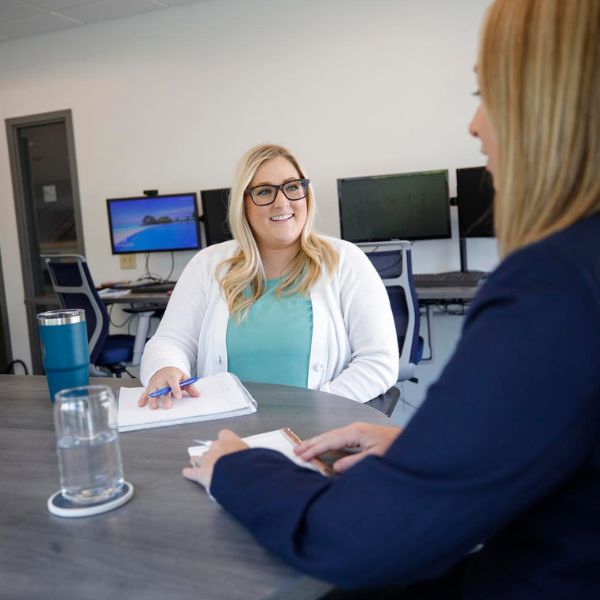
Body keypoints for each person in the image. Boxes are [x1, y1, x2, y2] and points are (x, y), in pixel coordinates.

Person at [182, 1, 600, 597]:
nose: (475, 126)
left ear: (550, 105)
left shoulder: (552, 284)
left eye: (489, 94)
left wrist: (236, 470)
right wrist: (423, 448)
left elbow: (353, 540)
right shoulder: (578, 271)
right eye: (266, 192)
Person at [139, 143, 399, 408]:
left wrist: (319, 411)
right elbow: (170, 341)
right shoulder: (209, 265)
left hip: (315, 435)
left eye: (292, 187)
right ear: (244, 205)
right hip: (229, 432)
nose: (282, 202)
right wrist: (165, 368)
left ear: (306, 194)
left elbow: (379, 362)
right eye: (264, 192)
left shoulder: (345, 261)